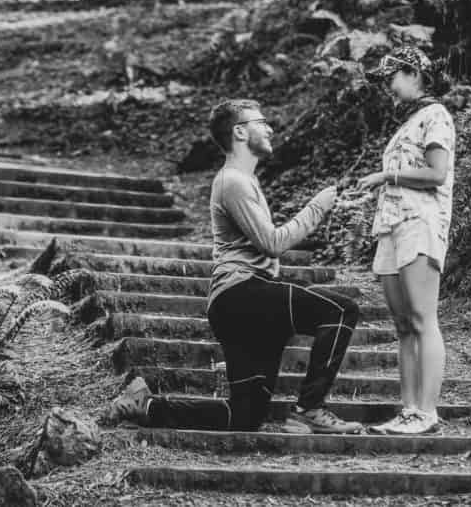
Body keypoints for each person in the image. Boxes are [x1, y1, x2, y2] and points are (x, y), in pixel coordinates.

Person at [104, 99, 364, 434]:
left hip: (239, 302)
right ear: (240, 131)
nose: (269, 128)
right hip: (243, 293)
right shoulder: (232, 181)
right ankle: (309, 408)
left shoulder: (244, 181)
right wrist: (317, 207)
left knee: (244, 417)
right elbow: (272, 242)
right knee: (341, 311)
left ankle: (147, 406)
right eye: (262, 121)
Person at [357, 45, 455, 435]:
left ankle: (427, 412)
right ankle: (409, 409)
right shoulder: (407, 123)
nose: (387, 87)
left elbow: (436, 173)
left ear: (414, 73)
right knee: (402, 324)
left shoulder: (436, 115)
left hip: (420, 222)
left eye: (391, 78)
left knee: (421, 318)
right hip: (392, 225)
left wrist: (387, 177)